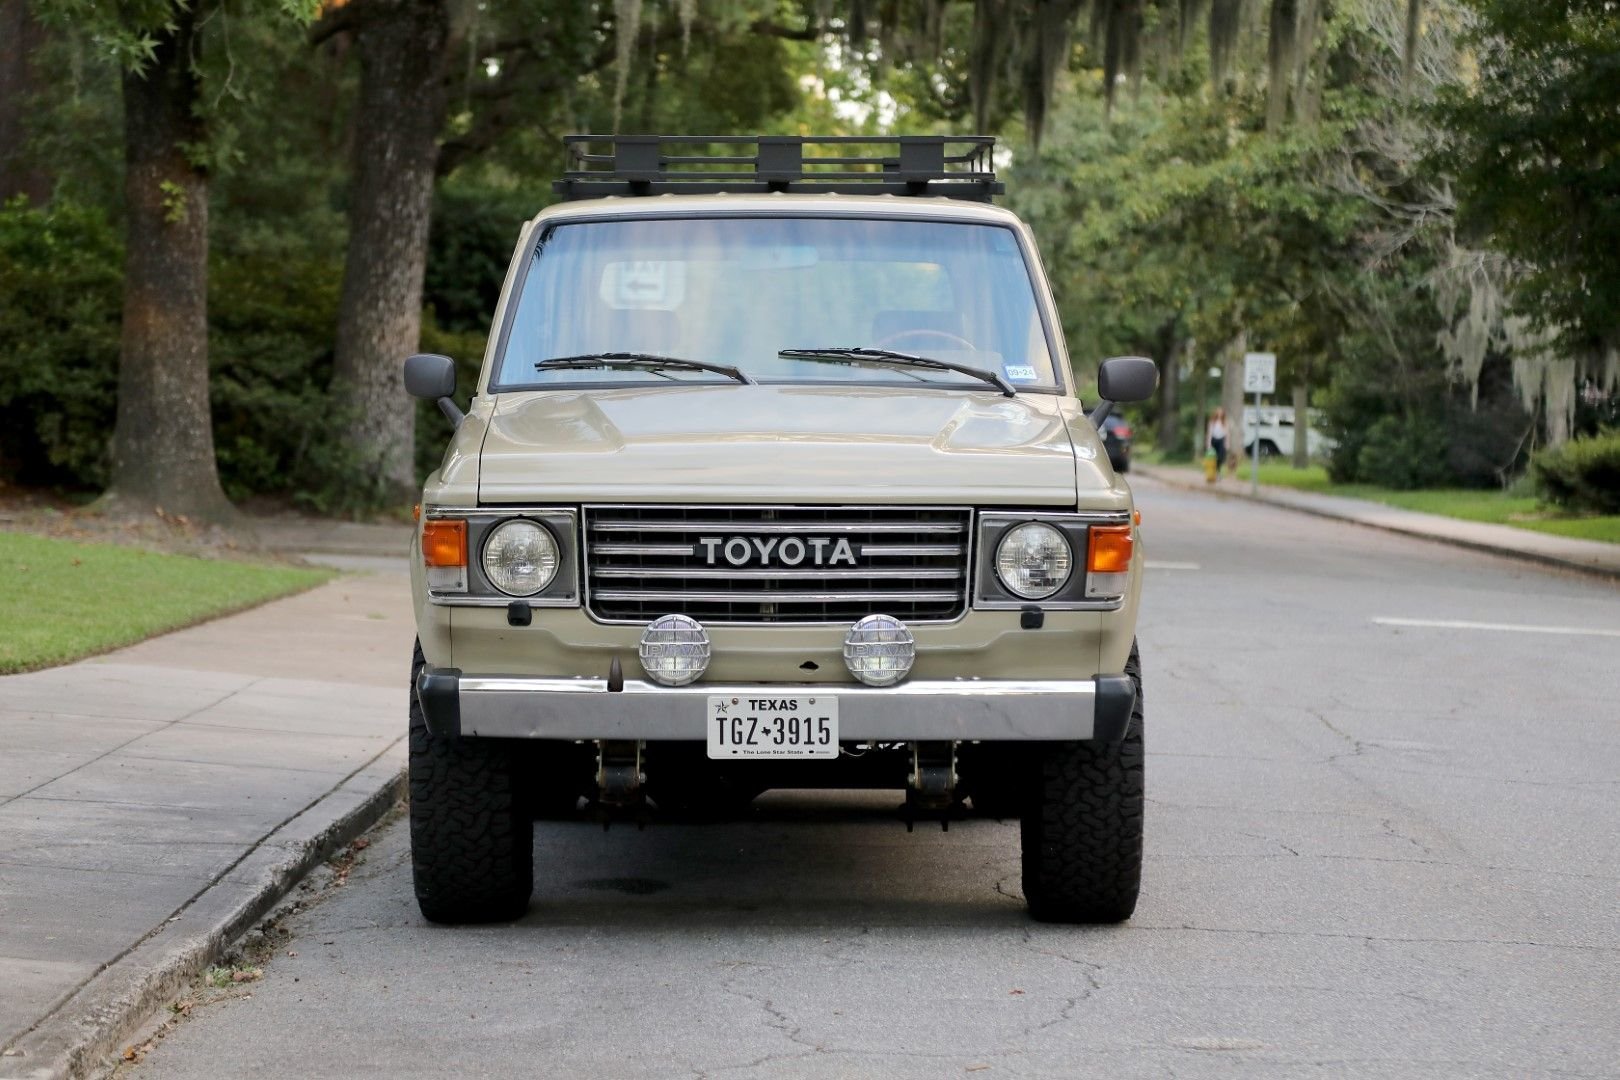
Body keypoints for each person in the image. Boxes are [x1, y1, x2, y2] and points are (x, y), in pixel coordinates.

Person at [1206, 407, 1231, 478]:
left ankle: (1218, 471)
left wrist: (1227, 442)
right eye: (1218, 412)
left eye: (1221, 413)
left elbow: (1227, 433)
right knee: (1213, 457)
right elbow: (1210, 433)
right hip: (1214, 440)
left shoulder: (1225, 422)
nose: (1219, 414)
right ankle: (1213, 472)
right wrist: (1208, 443)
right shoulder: (1212, 422)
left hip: (1221, 440)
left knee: (1220, 457)